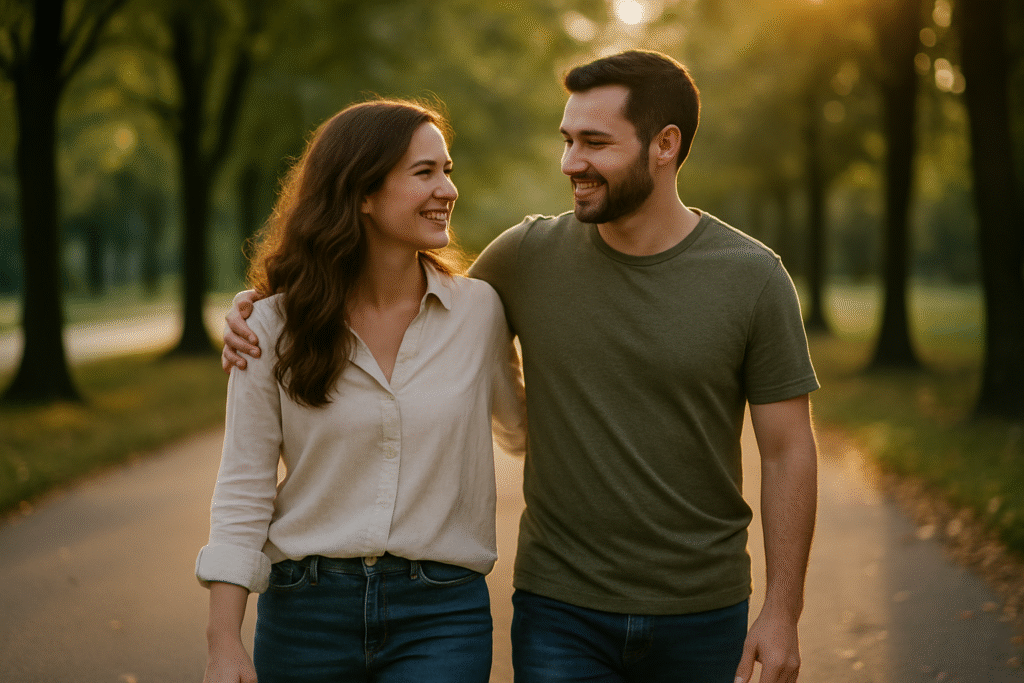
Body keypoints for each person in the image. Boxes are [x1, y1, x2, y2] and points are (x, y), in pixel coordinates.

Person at [223, 50, 818, 683]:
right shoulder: (526, 257)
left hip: (703, 609)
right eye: (567, 140)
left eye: (595, 143)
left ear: (664, 145)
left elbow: (787, 451)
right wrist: (266, 304)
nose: (571, 163)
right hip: (561, 608)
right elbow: (409, 307)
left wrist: (783, 612)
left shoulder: (753, 278)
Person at [198, 98, 526, 683]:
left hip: (442, 615)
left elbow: (526, 431)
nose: (447, 190)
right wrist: (223, 641)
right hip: (305, 614)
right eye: (424, 173)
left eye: (447, 171)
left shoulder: (479, 312)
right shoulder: (270, 328)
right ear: (361, 194)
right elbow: (244, 488)